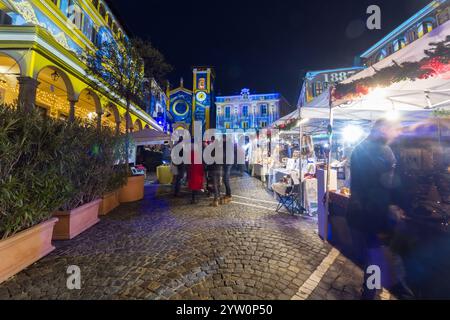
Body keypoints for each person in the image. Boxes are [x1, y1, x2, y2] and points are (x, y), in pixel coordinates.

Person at [347, 119, 413, 300]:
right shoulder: (383, 151)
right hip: (373, 215)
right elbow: (387, 185)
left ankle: (371, 291)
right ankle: (370, 293)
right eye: (393, 129)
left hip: (362, 213)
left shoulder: (360, 148)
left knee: (372, 257)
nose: (396, 134)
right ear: (383, 129)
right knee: (374, 258)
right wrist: (396, 206)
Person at [221, 135, 233, 204]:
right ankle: (228, 194)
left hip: (228, 163)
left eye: (222, 138)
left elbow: (224, 154)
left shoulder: (227, 145)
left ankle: (229, 195)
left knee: (225, 179)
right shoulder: (228, 144)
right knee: (225, 179)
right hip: (227, 163)